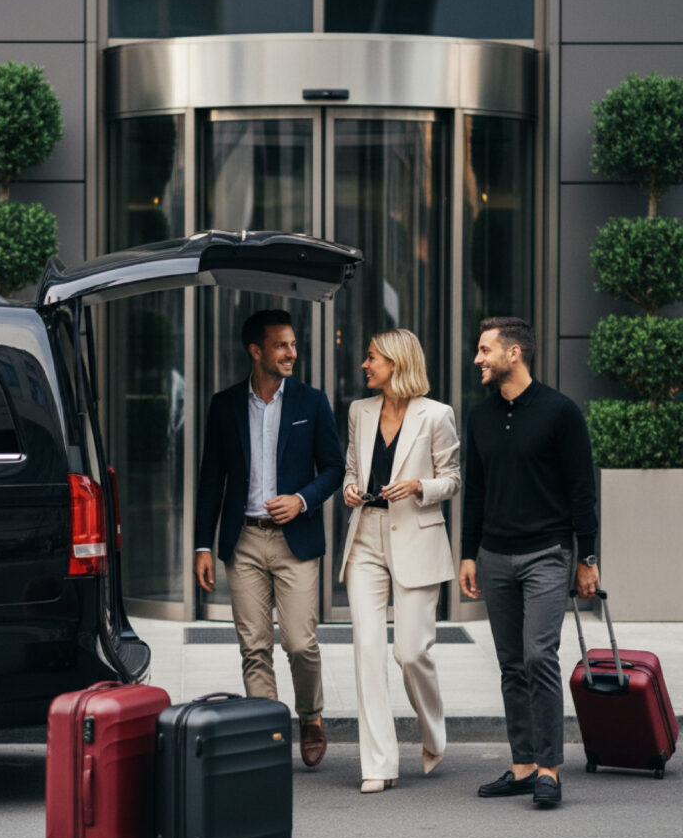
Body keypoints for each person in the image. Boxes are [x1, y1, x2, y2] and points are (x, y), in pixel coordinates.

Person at [459, 317, 599, 808]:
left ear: (513, 354)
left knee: (539, 656)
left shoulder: (561, 413)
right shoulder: (478, 418)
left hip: (547, 553)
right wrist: (468, 554)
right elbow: (474, 491)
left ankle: (550, 770)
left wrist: (588, 557)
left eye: (484, 350)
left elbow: (583, 490)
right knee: (511, 663)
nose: (477, 358)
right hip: (495, 555)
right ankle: (522, 766)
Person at [194, 309, 343, 767]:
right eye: (282, 345)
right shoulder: (225, 404)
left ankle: (310, 715)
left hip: (294, 540)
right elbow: (211, 479)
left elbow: (335, 468)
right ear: (255, 351)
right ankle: (270, 731)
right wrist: (203, 544)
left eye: (294, 345)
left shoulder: (311, 402)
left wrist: (301, 499)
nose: (292, 353)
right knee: (254, 645)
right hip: (244, 540)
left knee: (301, 642)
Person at [340, 329, 461, 794]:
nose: (364, 365)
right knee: (367, 650)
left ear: (396, 362)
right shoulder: (359, 411)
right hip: (367, 534)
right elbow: (354, 467)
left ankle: (433, 731)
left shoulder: (437, 415)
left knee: (410, 653)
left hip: (417, 535)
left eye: (371, 357)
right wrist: (350, 488)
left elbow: (452, 478)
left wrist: (418, 487)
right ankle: (378, 763)